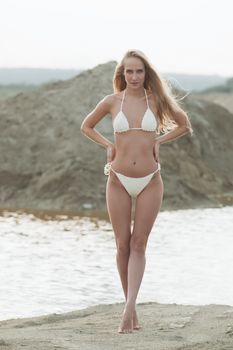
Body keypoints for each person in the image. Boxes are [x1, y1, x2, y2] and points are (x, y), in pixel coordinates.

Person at [80, 49, 193, 334]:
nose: (133, 76)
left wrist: (160, 141)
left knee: (139, 243)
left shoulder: (156, 101)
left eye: (139, 71)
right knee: (122, 245)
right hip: (117, 178)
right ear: (122, 74)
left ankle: (128, 311)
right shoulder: (111, 101)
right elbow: (86, 126)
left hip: (150, 180)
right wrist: (107, 145)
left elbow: (184, 124)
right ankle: (131, 309)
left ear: (146, 74)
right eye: (128, 71)